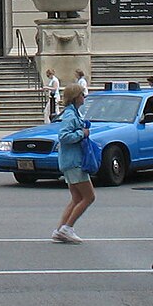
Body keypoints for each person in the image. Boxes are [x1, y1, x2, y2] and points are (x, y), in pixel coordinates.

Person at [52, 82, 95, 243]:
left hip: (69, 161)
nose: (84, 97)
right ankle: (67, 228)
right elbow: (63, 136)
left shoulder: (72, 113)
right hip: (74, 161)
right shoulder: (70, 115)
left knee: (77, 197)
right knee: (89, 197)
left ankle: (60, 229)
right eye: (82, 94)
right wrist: (81, 133)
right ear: (76, 97)